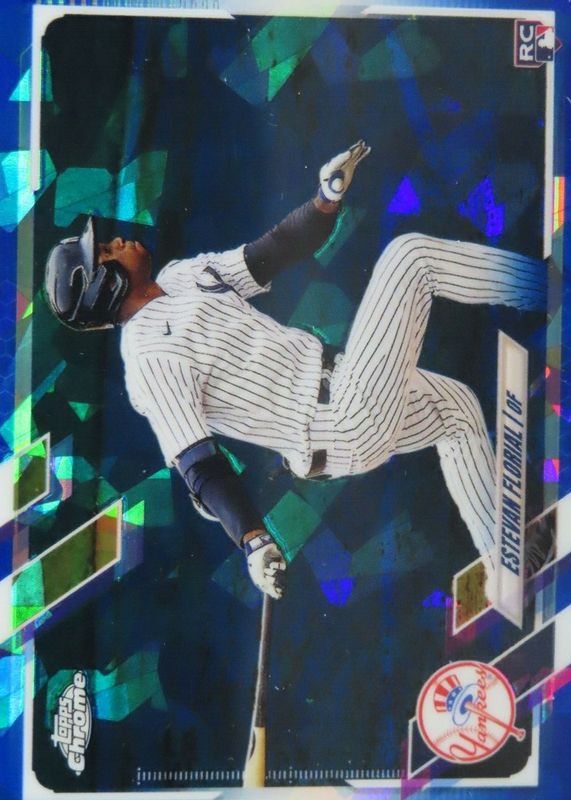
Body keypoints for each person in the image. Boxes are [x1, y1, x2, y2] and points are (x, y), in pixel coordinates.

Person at [44, 141, 548, 601]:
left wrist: (326, 199)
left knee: (456, 410)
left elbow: (273, 252)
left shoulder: (180, 276)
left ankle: (505, 559)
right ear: (105, 286)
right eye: (105, 253)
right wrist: (253, 540)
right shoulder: (148, 358)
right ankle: (550, 288)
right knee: (411, 258)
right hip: (337, 422)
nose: (115, 241)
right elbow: (199, 465)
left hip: (346, 385)